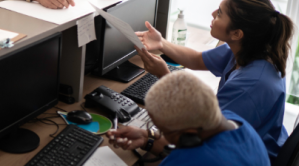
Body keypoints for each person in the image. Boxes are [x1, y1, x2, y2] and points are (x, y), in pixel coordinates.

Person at [134, 0, 292, 161]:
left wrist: (165, 75)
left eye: (220, 13)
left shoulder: (250, 86)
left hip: (243, 157)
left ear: (237, 33)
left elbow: (203, 130)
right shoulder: (247, 48)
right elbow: (196, 60)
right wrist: (161, 43)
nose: (213, 13)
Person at [107, 71, 270, 166]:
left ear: (189, 132)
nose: (160, 133)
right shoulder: (236, 122)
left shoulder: (189, 161)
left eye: (163, 130)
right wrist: (147, 138)